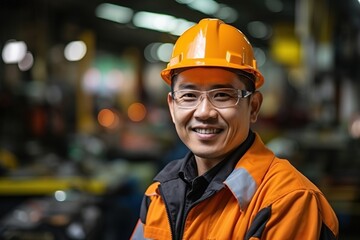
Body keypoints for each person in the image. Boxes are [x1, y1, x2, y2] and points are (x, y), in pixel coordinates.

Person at [131, 18, 339, 240]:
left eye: (222, 95)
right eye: (189, 96)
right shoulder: (158, 194)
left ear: (254, 107)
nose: (203, 112)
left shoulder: (288, 200)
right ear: (172, 107)